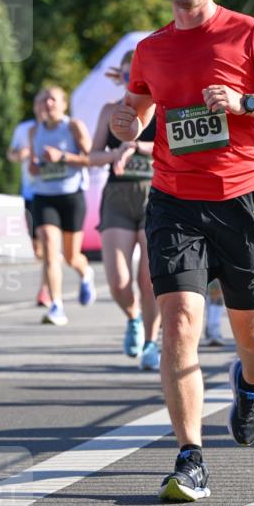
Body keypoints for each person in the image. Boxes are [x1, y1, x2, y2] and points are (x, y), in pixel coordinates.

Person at [111, 0, 254, 502]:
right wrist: (127, 125)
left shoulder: (249, 33)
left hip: (244, 199)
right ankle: (190, 456)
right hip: (174, 201)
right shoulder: (150, 50)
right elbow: (137, 110)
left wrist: (247, 102)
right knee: (178, 326)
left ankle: (249, 386)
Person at [89, 52, 161, 371]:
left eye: (139, 73)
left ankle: (150, 342)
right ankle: (132, 318)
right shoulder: (110, 112)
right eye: (128, 73)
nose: (134, 78)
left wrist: (138, 146)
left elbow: (174, 149)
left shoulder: (162, 110)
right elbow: (92, 156)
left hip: (154, 195)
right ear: (121, 77)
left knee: (149, 281)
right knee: (119, 281)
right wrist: (117, 151)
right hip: (118, 195)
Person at [29, 85, 96, 325]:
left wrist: (62, 157)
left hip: (71, 196)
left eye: (52, 99)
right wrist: (35, 166)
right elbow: (32, 166)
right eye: (44, 99)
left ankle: (85, 272)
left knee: (71, 256)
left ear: (63, 104)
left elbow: (91, 158)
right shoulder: (34, 131)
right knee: (48, 249)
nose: (48, 104)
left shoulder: (73, 127)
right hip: (44, 196)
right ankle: (56, 305)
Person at [7, 91, 50, 307]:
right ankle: (50, 278)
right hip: (30, 191)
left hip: (55, 193)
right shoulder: (24, 129)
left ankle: (45, 289)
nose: (44, 106)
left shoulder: (65, 128)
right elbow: (11, 154)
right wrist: (20, 155)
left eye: (48, 102)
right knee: (38, 248)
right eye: (39, 102)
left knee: (48, 242)